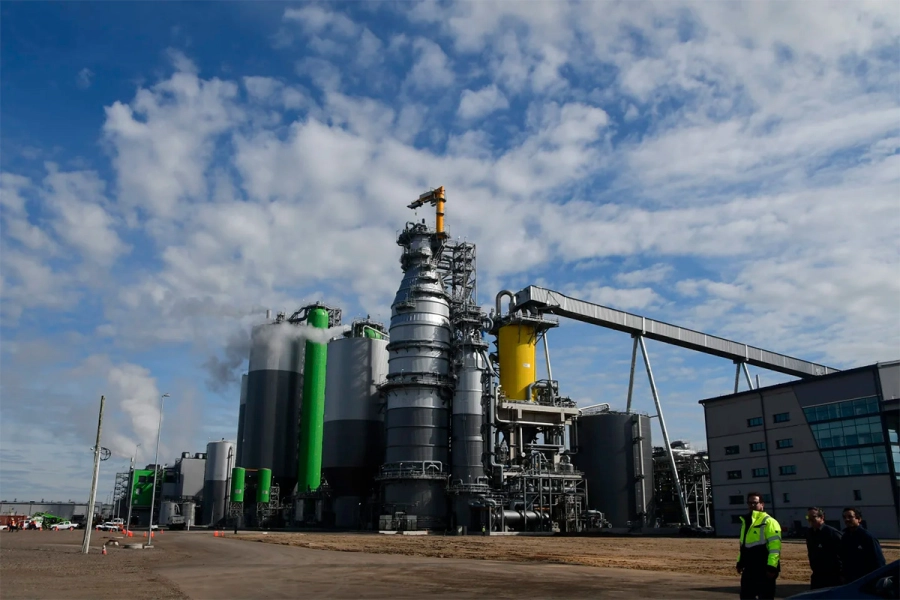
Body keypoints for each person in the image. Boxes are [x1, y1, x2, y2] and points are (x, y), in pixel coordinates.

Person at [736, 492, 782, 600]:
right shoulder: (745, 522)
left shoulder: (769, 522)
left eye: (755, 503)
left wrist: (772, 567)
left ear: (762, 504)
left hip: (764, 569)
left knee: (765, 597)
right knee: (746, 596)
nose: (752, 505)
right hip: (749, 568)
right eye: (749, 503)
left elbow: (775, 548)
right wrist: (740, 561)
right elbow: (743, 546)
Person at [839, 507, 885, 583]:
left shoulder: (867, 537)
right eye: (844, 517)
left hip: (866, 580)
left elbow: (878, 561)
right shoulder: (845, 537)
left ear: (859, 519)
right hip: (850, 581)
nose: (847, 519)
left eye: (850, 517)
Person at [805, 507, 842, 589]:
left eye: (813, 517)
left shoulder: (832, 534)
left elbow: (843, 555)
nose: (810, 519)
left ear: (821, 517)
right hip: (817, 576)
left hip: (833, 577)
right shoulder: (809, 533)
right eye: (808, 517)